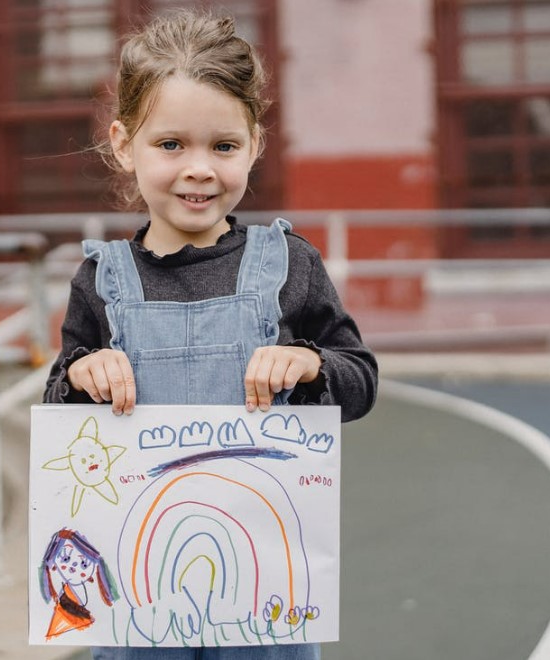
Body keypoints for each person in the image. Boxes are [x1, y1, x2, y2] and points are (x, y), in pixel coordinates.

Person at [43, 9, 378, 660]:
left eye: (222, 146)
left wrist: (309, 365)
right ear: (123, 144)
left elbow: (359, 382)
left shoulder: (292, 265)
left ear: (254, 144)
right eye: (171, 145)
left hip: (265, 592)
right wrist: (82, 377)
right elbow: (59, 408)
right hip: (141, 596)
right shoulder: (99, 280)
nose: (199, 169)